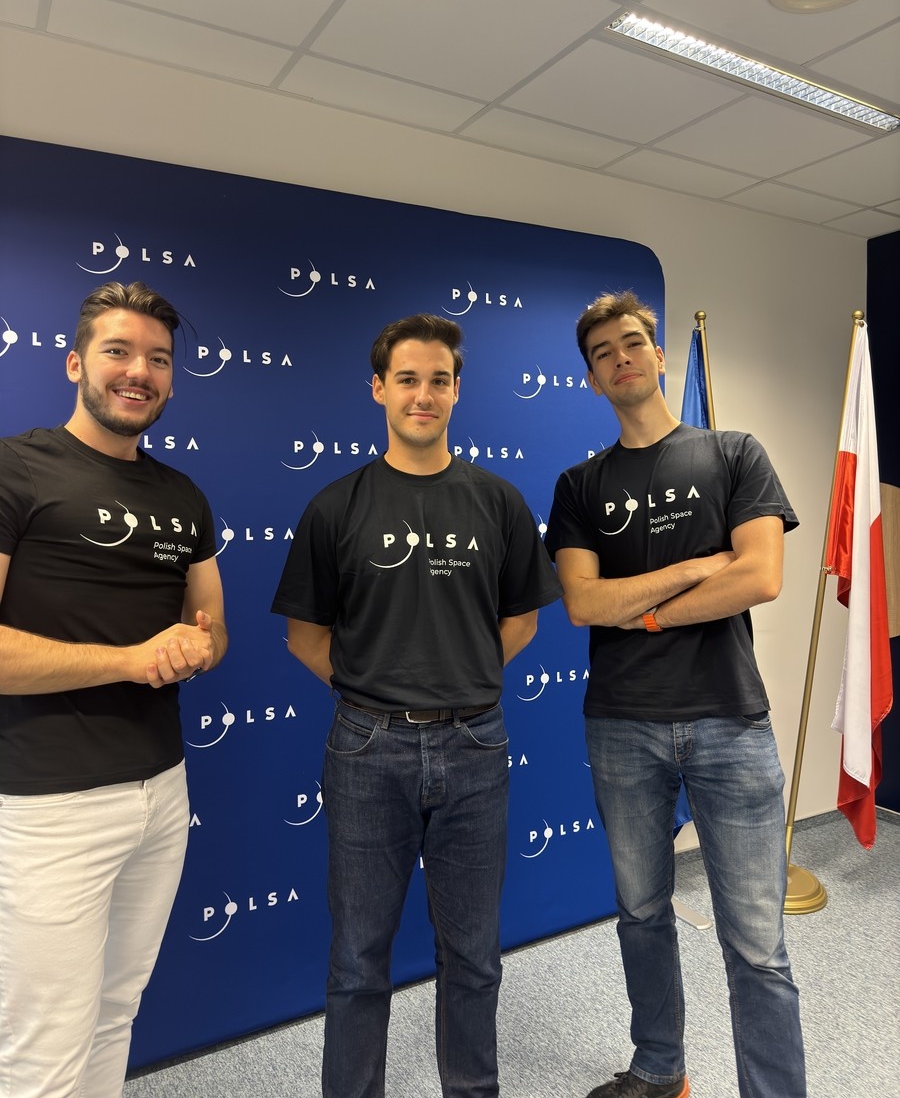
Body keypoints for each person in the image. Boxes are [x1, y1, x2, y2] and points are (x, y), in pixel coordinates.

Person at [272, 313, 561, 1098]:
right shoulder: (337, 505)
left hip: (477, 748)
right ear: (379, 389)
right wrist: (380, 689)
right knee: (358, 960)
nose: (423, 395)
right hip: (367, 751)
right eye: (407, 379)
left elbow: (523, 620)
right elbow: (305, 636)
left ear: (458, 390)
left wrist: (454, 675)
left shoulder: (498, 501)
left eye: (439, 380)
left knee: (473, 956)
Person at [545, 291, 805, 1098]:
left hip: (731, 721)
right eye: (602, 353)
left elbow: (758, 575)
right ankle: (660, 1071)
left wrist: (648, 613)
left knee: (757, 942)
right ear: (591, 379)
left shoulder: (734, 454)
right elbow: (583, 602)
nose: (620, 357)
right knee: (641, 914)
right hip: (622, 727)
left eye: (632, 343)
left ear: (659, 356)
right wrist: (695, 568)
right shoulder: (580, 485)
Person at [0, 280, 228, 1098]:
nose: (140, 372)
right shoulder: (14, 468)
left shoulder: (182, 494)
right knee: (43, 1047)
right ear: (74, 363)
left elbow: (214, 632)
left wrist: (193, 650)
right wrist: (133, 660)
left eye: (159, 359)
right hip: (47, 804)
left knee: (113, 1012)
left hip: (160, 791)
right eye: (119, 352)